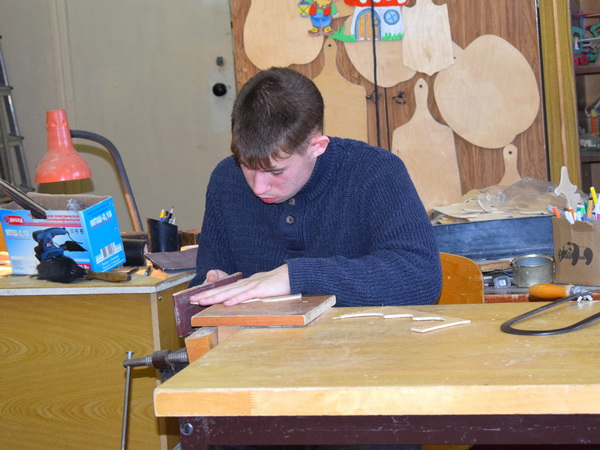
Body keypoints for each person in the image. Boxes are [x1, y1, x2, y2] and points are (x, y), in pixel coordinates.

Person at [188, 66, 441, 310]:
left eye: (276, 171)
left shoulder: (375, 171)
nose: (258, 187)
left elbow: (421, 277)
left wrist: (295, 277)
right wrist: (215, 287)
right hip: (264, 339)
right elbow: (206, 281)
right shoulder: (226, 180)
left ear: (317, 147)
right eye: (246, 165)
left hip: (359, 338)